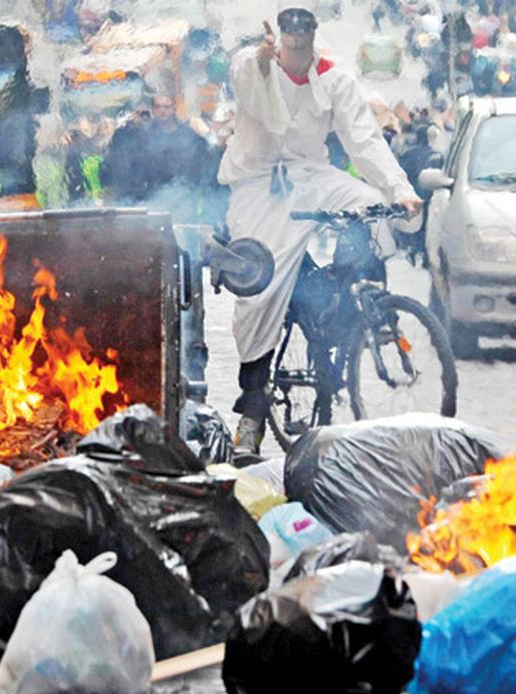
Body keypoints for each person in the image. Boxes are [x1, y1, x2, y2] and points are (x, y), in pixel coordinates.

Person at [219, 1, 423, 455]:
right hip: (261, 186)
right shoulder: (253, 65)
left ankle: (355, 307)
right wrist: (261, 58)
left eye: (301, 38)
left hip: (312, 176)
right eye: (286, 40)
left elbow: (364, 140)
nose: (294, 45)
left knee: (372, 207)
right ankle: (252, 414)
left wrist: (400, 191)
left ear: (312, 39)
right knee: (260, 296)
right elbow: (246, 81)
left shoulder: (334, 77)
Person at [101, 94, 213, 221]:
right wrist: (130, 126)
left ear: (173, 109)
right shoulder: (142, 134)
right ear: (153, 110)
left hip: (181, 199)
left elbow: (202, 163)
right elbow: (121, 157)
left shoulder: (187, 135)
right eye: (158, 107)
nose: (163, 111)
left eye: (166, 107)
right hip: (150, 200)